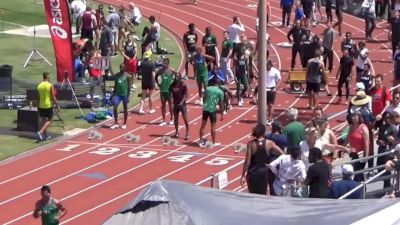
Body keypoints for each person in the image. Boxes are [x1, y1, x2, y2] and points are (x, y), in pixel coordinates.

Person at [241, 124, 285, 195]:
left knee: (252, 195)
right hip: (263, 173)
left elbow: (247, 161)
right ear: (264, 132)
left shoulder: (251, 144)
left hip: (252, 173)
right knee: (262, 195)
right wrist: (276, 163)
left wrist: (243, 175)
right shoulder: (269, 143)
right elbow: (282, 154)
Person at [199, 76, 224, 148]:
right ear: (218, 84)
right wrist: (222, 114)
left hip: (205, 109)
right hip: (212, 110)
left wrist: (205, 105)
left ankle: (200, 141)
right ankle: (213, 142)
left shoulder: (207, 89)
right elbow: (221, 103)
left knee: (203, 125)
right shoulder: (220, 91)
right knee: (213, 126)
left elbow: (204, 98)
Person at [36, 72, 60, 142]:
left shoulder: (39, 85)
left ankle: (45, 136)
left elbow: (38, 97)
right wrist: (58, 105)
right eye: (49, 76)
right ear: (47, 77)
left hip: (41, 105)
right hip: (48, 105)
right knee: (49, 120)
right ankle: (40, 132)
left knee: (43, 121)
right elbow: (53, 96)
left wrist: (37, 106)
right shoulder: (50, 85)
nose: (50, 78)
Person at [156, 58, 175, 126]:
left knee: (170, 106)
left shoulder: (171, 71)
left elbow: (177, 77)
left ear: (168, 64)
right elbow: (156, 77)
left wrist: (173, 85)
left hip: (169, 92)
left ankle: (172, 119)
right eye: (163, 63)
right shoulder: (160, 71)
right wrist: (159, 84)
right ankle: (164, 120)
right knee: (163, 106)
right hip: (162, 91)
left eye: (165, 63)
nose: (164, 64)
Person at [170, 72, 189, 140]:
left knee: (185, 119)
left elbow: (186, 95)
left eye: (178, 76)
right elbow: (170, 93)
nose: (176, 78)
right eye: (175, 76)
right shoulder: (172, 85)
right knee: (176, 119)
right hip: (175, 104)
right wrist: (171, 100)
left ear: (180, 77)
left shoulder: (183, 85)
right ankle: (177, 132)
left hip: (182, 105)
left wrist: (182, 102)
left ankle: (187, 133)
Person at [111, 64, 131, 129]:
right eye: (120, 67)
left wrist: (128, 96)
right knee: (115, 107)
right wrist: (113, 94)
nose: (121, 68)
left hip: (124, 94)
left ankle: (125, 123)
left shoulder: (127, 76)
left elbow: (129, 87)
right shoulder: (117, 76)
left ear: (124, 68)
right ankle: (116, 122)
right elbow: (115, 85)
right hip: (118, 94)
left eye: (122, 67)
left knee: (125, 108)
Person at [138, 50, 156, 114]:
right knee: (150, 96)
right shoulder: (152, 63)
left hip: (144, 81)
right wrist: (154, 82)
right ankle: (151, 109)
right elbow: (153, 74)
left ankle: (141, 109)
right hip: (150, 81)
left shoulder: (142, 63)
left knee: (143, 96)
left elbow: (139, 71)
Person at [265, 60, 281, 125]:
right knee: (264, 105)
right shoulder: (263, 70)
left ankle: (270, 118)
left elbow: (279, 79)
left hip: (272, 89)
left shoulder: (275, 71)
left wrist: (275, 87)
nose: (266, 67)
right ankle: (266, 117)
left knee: (270, 105)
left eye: (267, 65)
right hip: (264, 89)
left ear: (270, 65)